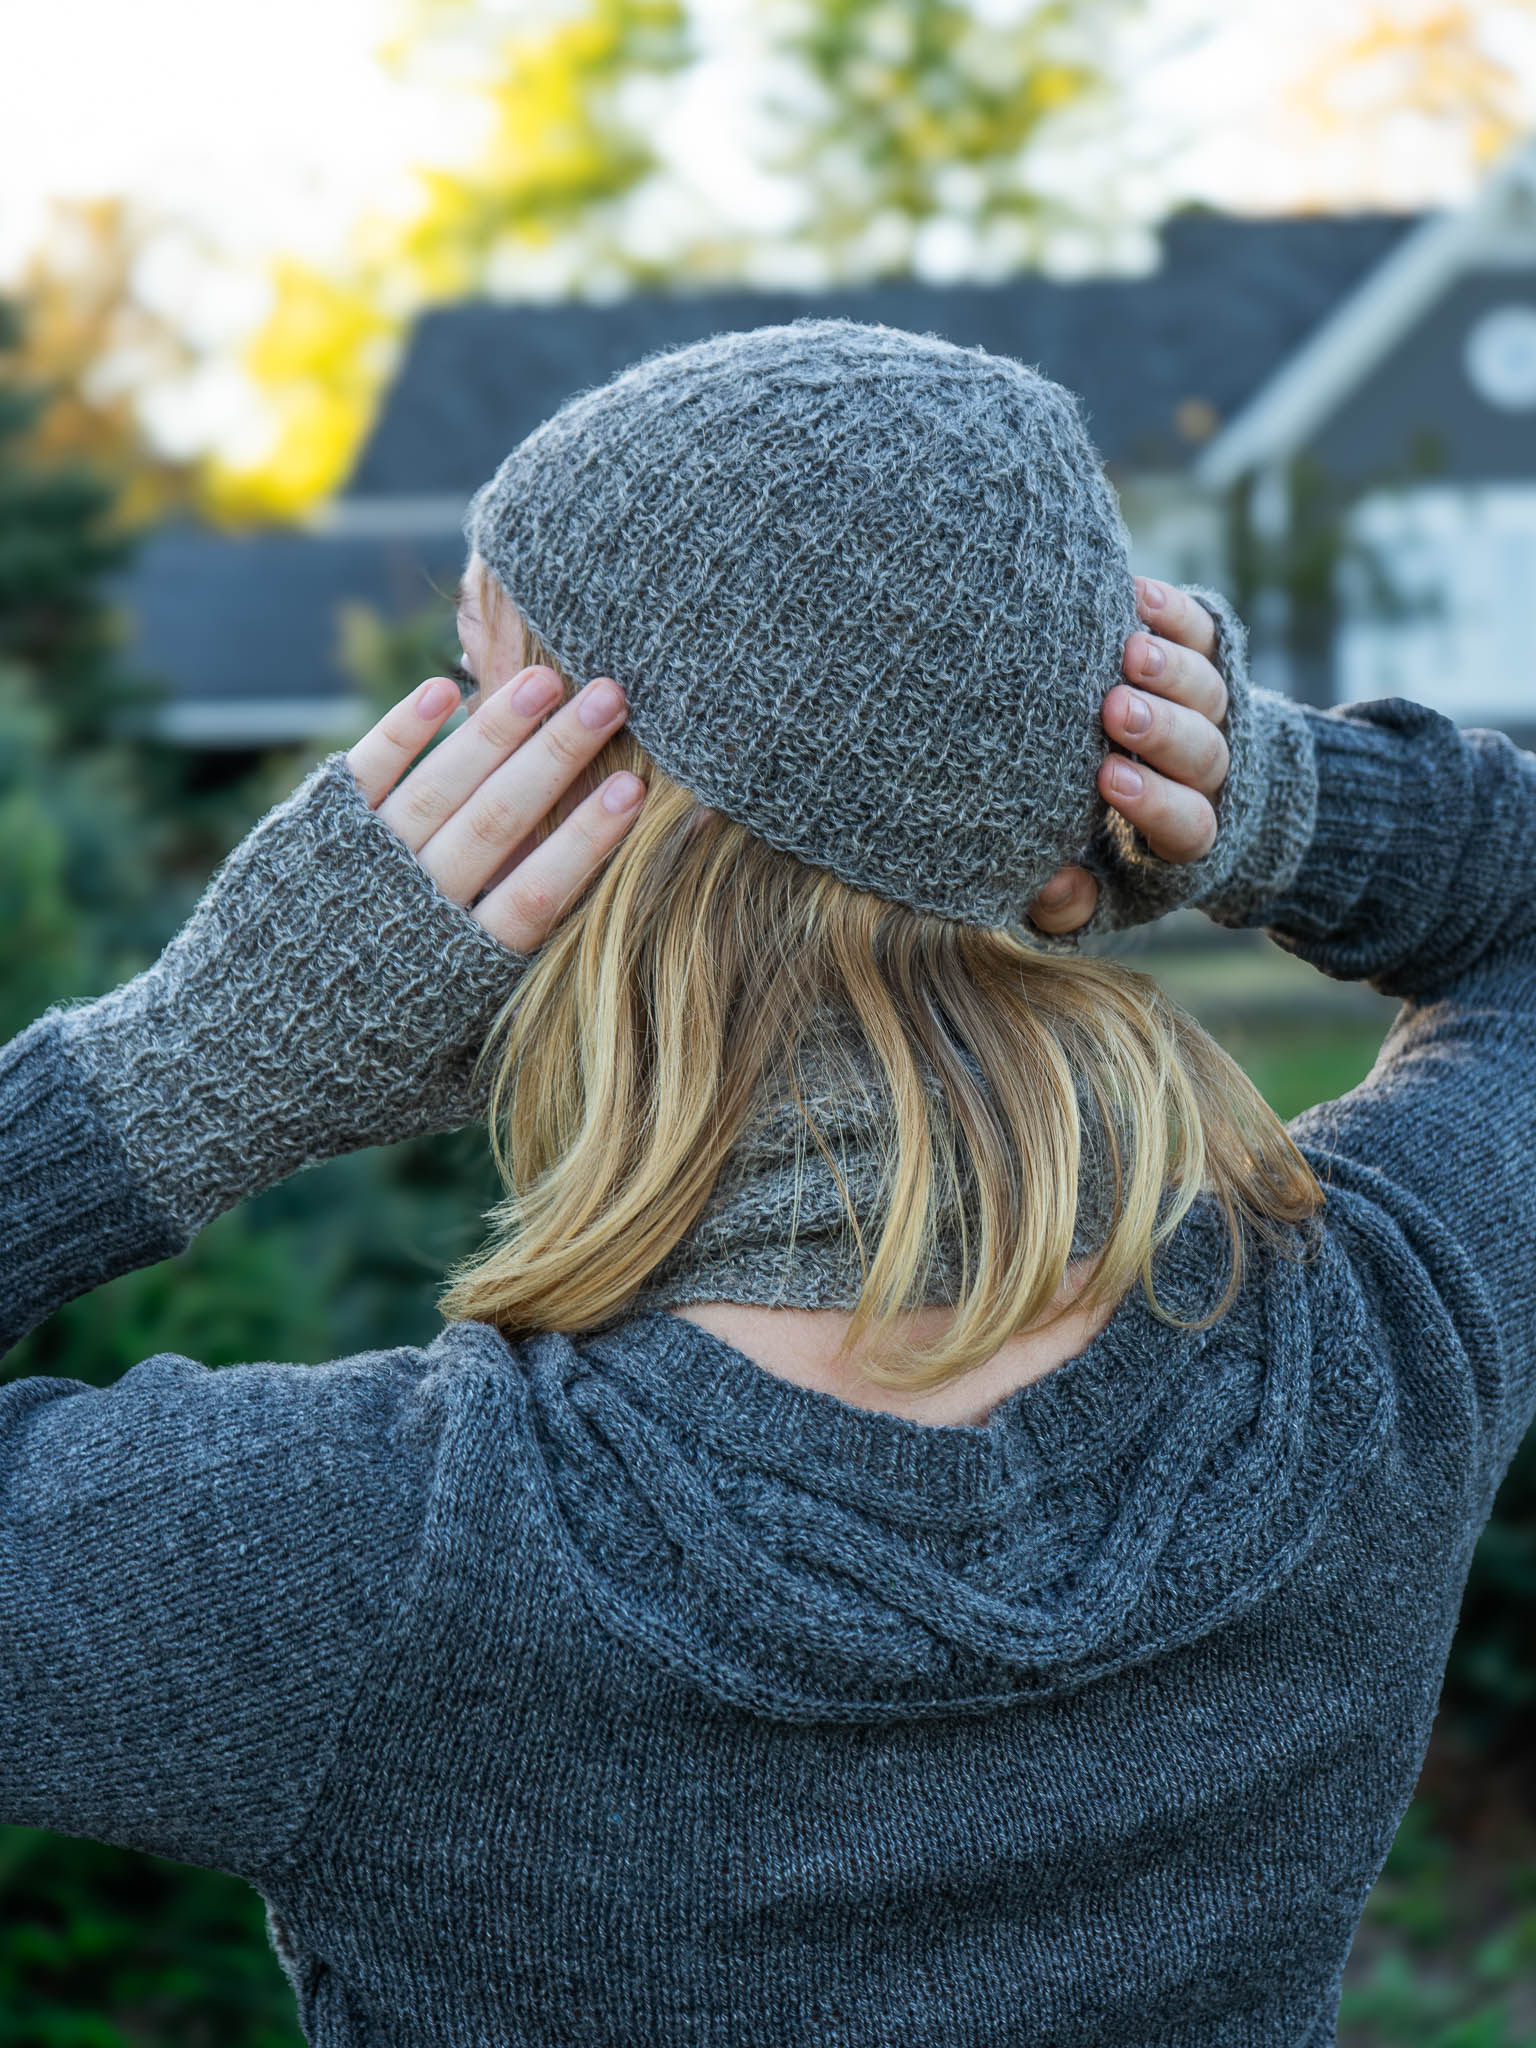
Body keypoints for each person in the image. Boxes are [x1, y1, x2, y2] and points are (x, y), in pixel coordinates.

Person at [0, 316, 1531, 2047]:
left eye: (492, 708)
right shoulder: (1380, 1353)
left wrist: (188, 1074)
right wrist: (1287, 802)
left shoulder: (365, 1565)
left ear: (595, 845)